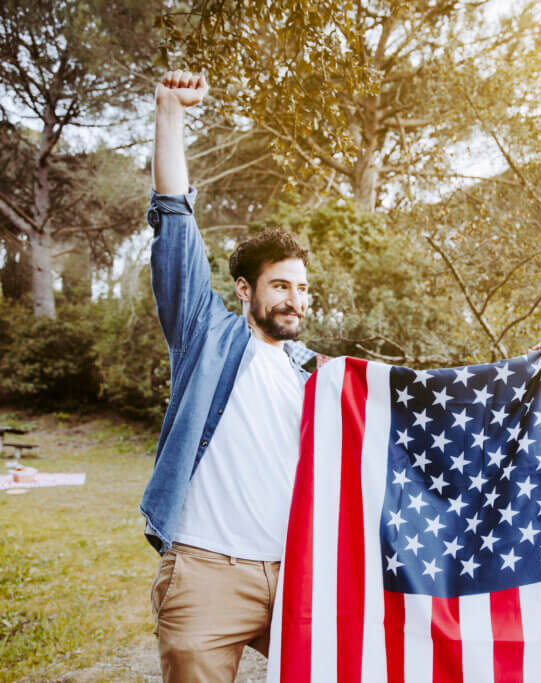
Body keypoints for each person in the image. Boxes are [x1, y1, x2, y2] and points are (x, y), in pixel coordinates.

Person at [140, 70, 314, 681]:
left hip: (297, 576)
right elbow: (175, 222)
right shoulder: (205, 336)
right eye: (280, 286)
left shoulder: (313, 374)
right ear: (245, 289)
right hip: (206, 573)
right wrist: (170, 112)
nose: (295, 300)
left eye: (302, 289)